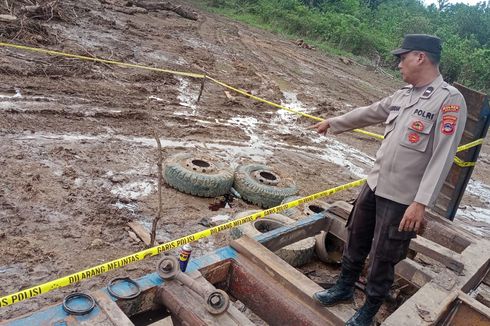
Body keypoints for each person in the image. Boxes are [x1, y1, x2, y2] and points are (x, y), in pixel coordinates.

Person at [310, 34, 467, 326]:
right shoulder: (404, 95)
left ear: (420, 57)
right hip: (375, 184)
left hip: (402, 198)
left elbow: (443, 157)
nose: (398, 64)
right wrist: (334, 123)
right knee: (355, 237)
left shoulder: (449, 101)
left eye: (402, 57)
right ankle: (344, 287)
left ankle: (369, 308)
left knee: (384, 255)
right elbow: (370, 112)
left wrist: (420, 203)